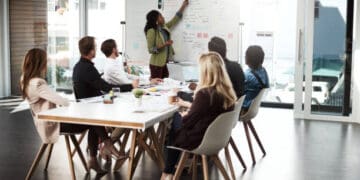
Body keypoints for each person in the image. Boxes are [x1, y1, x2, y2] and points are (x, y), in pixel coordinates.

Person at [20, 48, 123, 174]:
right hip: (53, 124)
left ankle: (99, 153)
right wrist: (67, 101)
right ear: (40, 63)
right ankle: (105, 147)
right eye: (45, 61)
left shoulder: (25, 80)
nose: (46, 64)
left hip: (46, 122)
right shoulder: (38, 83)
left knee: (93, 122)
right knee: (93, 120)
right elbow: (62, 101)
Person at [160, 52, 237, 180]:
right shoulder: (227, 92)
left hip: (200, 139)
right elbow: (209, 112)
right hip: (218, 139)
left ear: (206, 72)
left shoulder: (205, 94)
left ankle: (167, 172)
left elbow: (188, 122)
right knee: (177, 122)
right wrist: (190, 110)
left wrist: (184, 115)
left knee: (175, 119)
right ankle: (168, 171)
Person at [144, 0, 189, 79]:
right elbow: (150, 49)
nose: (163, 17)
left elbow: (174, 20)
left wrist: (183, 6)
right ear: (156, 20)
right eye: (161, 16)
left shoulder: (163, 27)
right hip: (156, 65)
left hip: (165, 62)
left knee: (165, 86)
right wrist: (165, 44)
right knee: (157, 86)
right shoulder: (151, 31)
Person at [242, 45, 269, 111]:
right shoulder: (263, 71)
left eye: (246, 55)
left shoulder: (248, 76)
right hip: (252, 107)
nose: (245, 57)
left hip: (243, 108)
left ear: (251, 58)